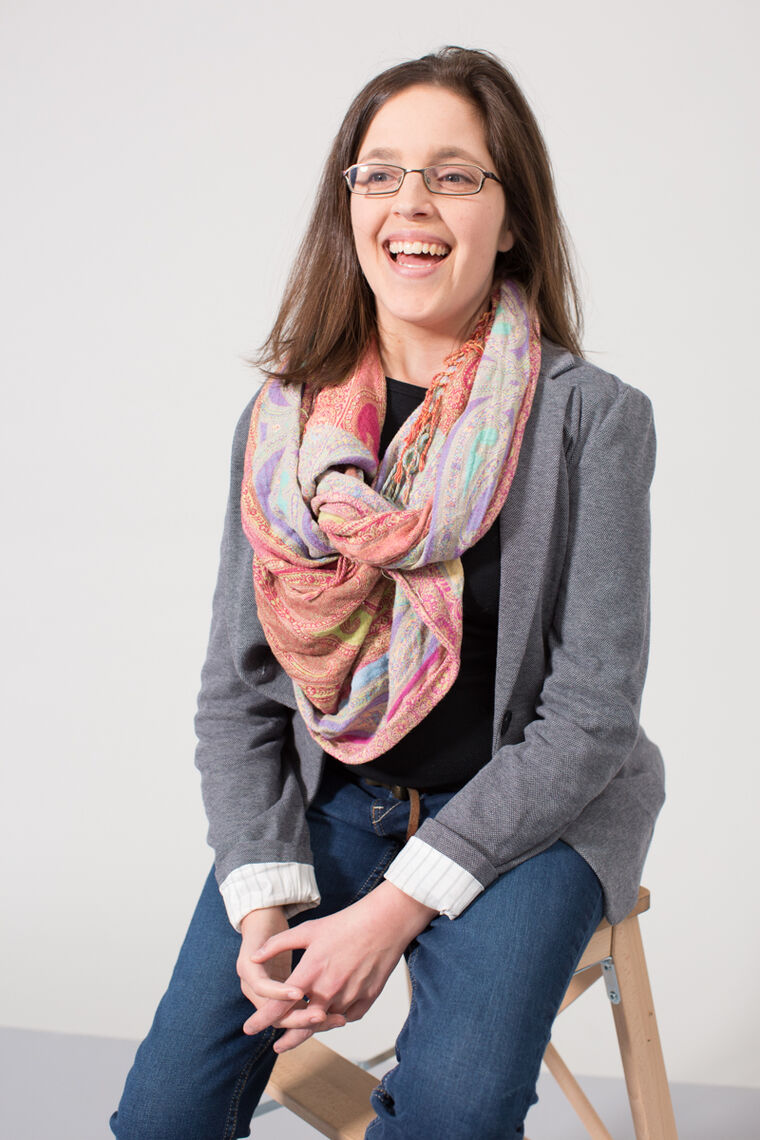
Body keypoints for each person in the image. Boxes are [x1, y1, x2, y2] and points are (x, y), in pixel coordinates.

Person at [111, 45, 665, 1140]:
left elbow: (591, 716)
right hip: (333, 807)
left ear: (510, 218)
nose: (412, 203)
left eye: (455, 174)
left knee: (451, 1115)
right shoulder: (281, 427)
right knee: (162, 1117)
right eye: (381, 173)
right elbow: (239, 693)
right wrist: (262, 890)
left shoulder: (591, 418)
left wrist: (392, 909)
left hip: (525, 823)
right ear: (348, 204)